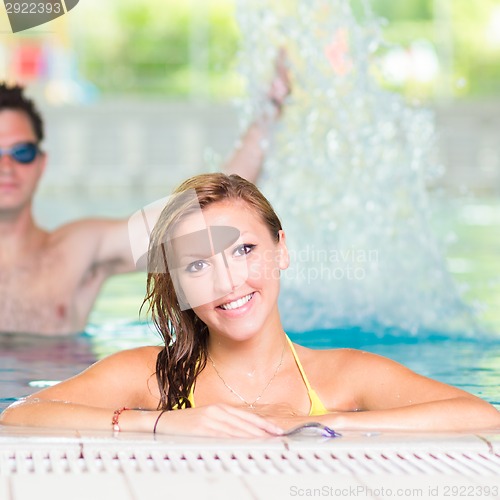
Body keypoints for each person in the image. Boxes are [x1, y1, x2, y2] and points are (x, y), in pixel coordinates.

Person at [1, 173, 499, 436]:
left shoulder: (341, 377)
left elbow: (481, 416)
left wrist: (324, 424)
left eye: (245, 250)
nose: (227, 280)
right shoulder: (150, 377)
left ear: (281, 249)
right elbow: (20, 416)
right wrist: (164, 422)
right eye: (197, 265)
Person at [0, 55, 290, 335]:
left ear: (41, 162)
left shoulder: (78, 250)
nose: (7, 167)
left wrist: (271, 106)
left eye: (21, 153)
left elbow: (206, 209)